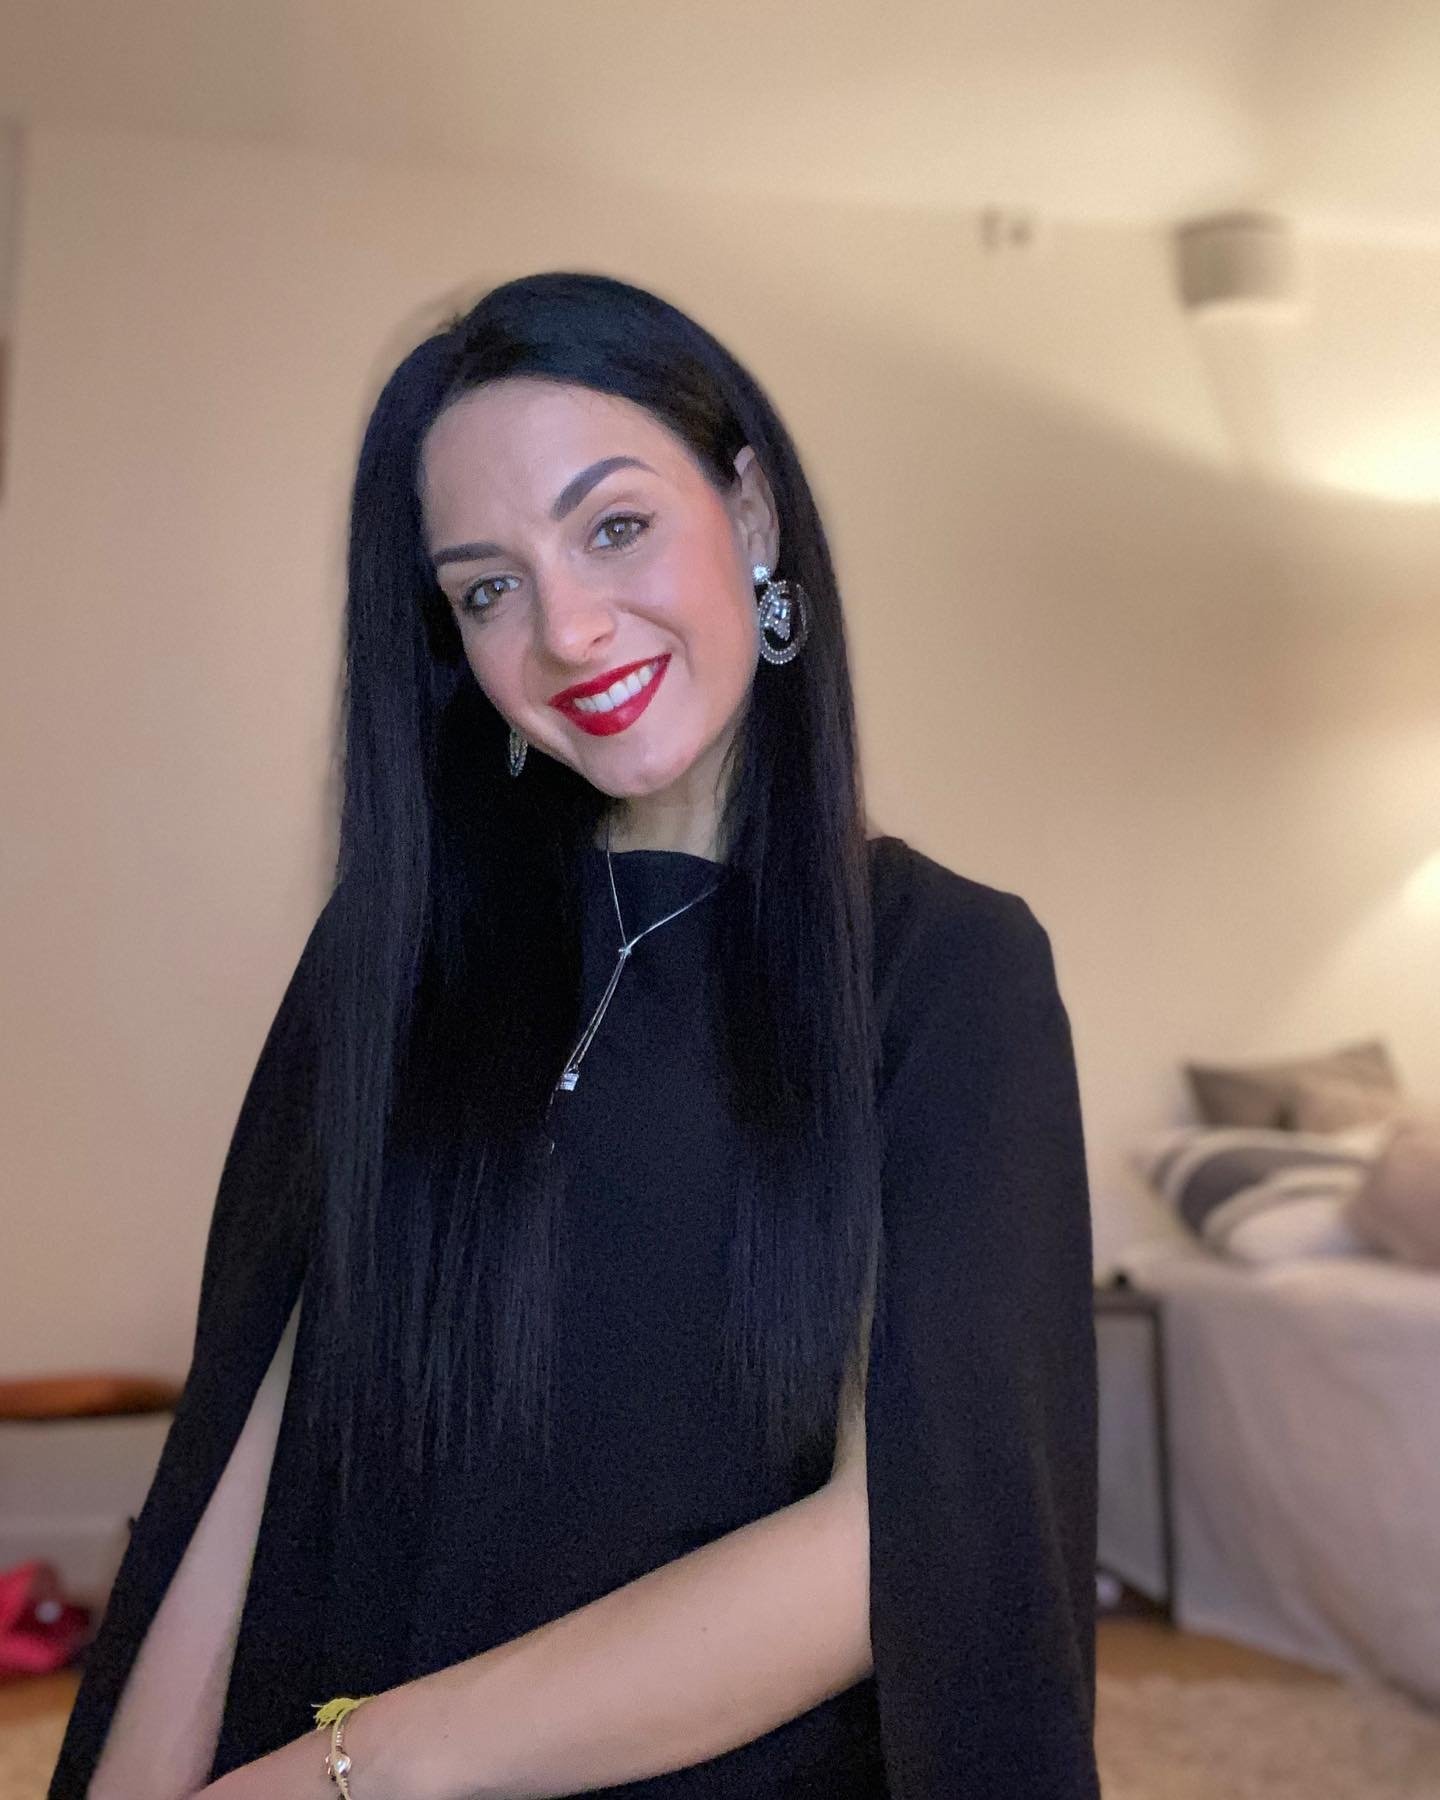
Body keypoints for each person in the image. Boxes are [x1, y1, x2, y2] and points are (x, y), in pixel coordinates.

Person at [49, 271, 1099, 1799]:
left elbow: (906, 1535)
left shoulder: (948, 968)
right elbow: (251, 1443)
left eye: (613, 527)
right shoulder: (391, 948)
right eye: (487, 589)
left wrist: (355, 1768)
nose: (566, 629)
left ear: (750, 512)